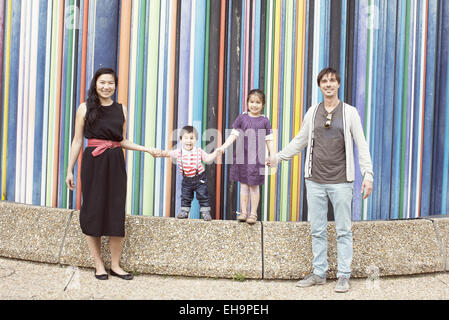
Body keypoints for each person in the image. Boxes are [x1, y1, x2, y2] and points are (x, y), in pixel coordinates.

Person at [267, 68, 373, 293]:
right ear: (319, 85)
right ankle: (319, 273)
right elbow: (300, 140)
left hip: (341, 181)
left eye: (332, 81)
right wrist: (278, 157)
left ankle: (344, 275)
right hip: (314, 180)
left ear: (338, 84)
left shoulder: (350, 112)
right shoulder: (313, 111)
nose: (328, 84)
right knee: (317, 229)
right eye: (324, 81)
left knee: (343, 229)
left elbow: (361, 144)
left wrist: (368, 175)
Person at [66, 68, 157, 280]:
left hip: (116, 161)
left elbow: (122, 140)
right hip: (94, 162)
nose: (106, 87)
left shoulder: (121, 109)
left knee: (116, 211)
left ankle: (115, 265)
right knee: (93, 210)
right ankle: (98, 264)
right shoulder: (84, 108)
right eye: (102, 82)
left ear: (115, 86)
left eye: (111, 83)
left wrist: (147, 149)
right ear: (95, 84)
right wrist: (69, 169)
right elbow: (78, 140)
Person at [216, 89, 275, 224]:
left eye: (258, 102)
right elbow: (234, 135)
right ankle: (243, 212)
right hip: (242, 156)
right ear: (247, 103)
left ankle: (253, 214)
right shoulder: (242, 118)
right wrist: (223, 147)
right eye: (251, 102)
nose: (254, 105)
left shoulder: (264, 121)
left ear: (263, 104)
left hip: (257, 159)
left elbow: (269, 139)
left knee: (254, 185)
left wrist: (272, 155)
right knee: (243, 184)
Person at [154, 125, 218, 221]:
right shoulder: (178, 152)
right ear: (181, 140)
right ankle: (184, 212)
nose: (189, 141)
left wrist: (216, 153)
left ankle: (205, 213)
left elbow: (208, 158)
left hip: (199, 178)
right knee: (185, 196)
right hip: (187, 179)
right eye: (186, 138)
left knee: (203, 195)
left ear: (196, 140)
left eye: (192, 138)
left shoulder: (198, 151)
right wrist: (160, 153)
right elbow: (167, 153)